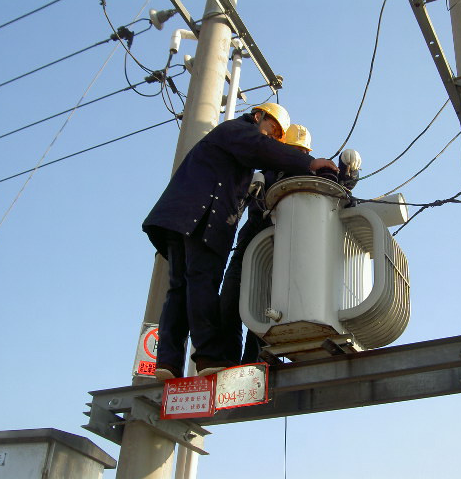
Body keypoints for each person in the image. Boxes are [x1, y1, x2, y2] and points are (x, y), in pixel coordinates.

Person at [142, 103, 339, 380]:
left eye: (278, 136)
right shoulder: (238, 130)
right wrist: (310, 164)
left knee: (180, 288)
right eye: (272, 129)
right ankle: (209, 356)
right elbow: (260, 147)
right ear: (258, 116)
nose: (272, 137)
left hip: (177, 218)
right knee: (202, 282)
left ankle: (168, 361)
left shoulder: (234, 147)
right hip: (201, 218)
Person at [219, 124, 362, 365]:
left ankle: (254, 362)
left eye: (302, 151)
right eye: (295, 149)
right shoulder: (266, 173)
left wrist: (349, 172)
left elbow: (336, 189)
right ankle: (227, 360)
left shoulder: (309, 172)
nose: (299, 155)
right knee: (232, 299)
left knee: (268, 305)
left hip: (286, 248)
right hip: (255, 240)